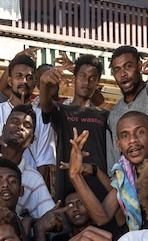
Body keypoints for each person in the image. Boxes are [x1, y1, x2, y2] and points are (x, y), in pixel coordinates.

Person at [38, 54, 110, 205]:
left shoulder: (104, 116)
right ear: (74, 78)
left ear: (97, 83)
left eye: (92, 78)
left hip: (98, 190)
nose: (87, 82)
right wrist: (44, 83)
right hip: (68, 190)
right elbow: (45, 105)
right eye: (82, 76)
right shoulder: (61, 111)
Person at [0, 53, 56, 182]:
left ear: (35, 83)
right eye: (19, 76)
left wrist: (35, 191)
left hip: (29, 183)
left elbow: (43, 162)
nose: (24, 81)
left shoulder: (42, 117)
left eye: (29, 77)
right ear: (10, 81)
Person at [0, 104, 56, 219]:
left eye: (27, 125)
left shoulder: (34, 180)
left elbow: (50, 216)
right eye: (15, 122)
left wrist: (31, 222)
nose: (20, 127)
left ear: (32, 139)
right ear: (3, 128)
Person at [105, 46, 148, 172]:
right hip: (131, 186)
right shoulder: (114, 113)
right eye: (117, 70)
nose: (123, 74)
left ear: (139, 65)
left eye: (128, 66)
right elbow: (114, 158)